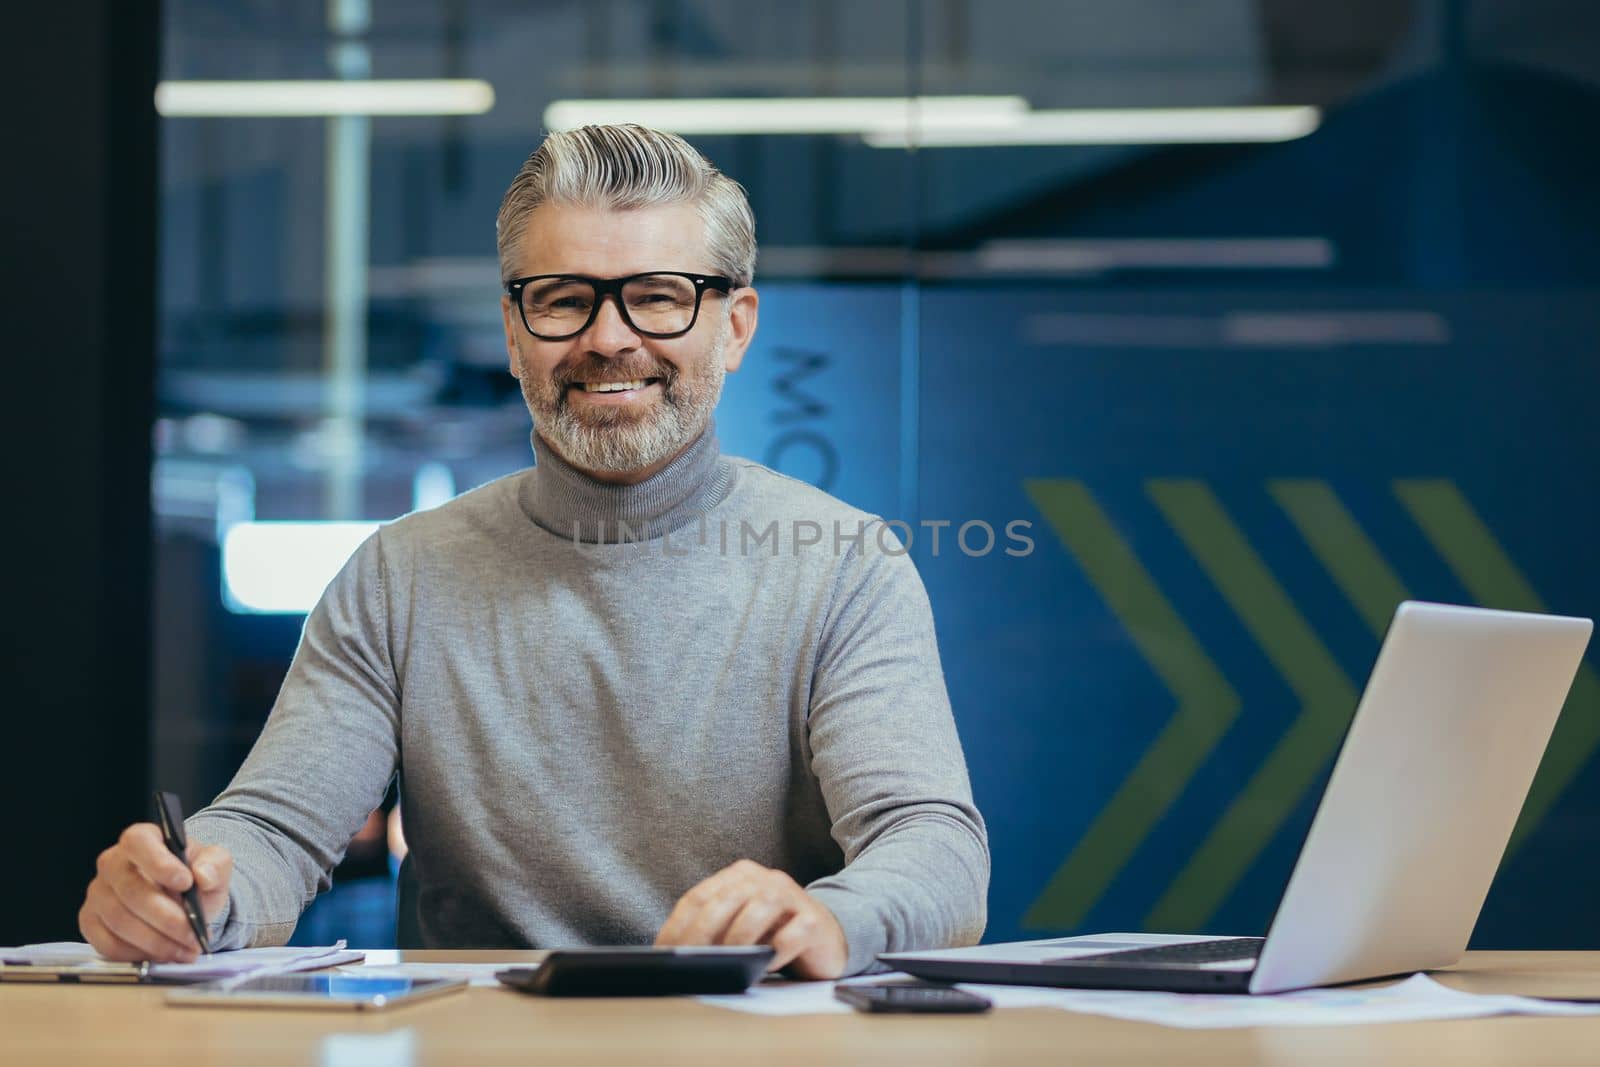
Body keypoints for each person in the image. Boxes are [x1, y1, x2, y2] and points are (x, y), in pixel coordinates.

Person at [78, 124, 989, 979]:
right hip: (483, 1044)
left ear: (737, 326)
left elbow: (932, 840)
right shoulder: (400, 575)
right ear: (515, 332)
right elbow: (274, 829)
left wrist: (834, 917)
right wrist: (191, 894)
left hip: (759, 1032)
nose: (609, 337)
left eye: (660, 296)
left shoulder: (842, 564)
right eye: (563, 299)